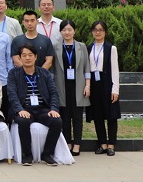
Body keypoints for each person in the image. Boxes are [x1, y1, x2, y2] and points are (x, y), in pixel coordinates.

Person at [8, 44, 62, 166]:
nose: (27, 58)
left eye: (30, 55)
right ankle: (27, 154)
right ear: (20, 58)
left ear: (36, 57)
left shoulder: (44, 73)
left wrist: (54, 109)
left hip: (42, 108)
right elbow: (12, 94)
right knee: (23, 121)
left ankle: (47, 154)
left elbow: (54, 92)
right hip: (24, 108)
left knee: (57, 121)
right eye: (24, 55)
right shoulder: (14, 73)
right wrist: (19, 109)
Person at [52, 20, 90, 156]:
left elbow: (87, 67)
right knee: (65, 117)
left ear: (75, 31)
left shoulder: (81, 46)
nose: (67, 32)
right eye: (64, 30)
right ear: (60, 32)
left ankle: (77, 144)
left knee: (78, 117)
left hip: (78, 86)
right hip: (62, 86)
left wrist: (88, 85)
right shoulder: (56, 47)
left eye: (69, 30)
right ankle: (67, 143)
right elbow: (53, 69)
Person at [87, 21, 121, 156]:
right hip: (94, 84)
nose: (98, 32)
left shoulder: (111, 48)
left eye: (100, 30)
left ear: (105, 32)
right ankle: (102, 143)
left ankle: (111, 144)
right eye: (95, 30)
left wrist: (115, 89)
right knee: (97, 115)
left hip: (107, 83)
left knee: (111, 115)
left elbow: (115, 70)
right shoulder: (88, 48)